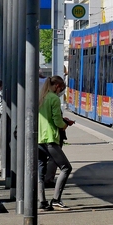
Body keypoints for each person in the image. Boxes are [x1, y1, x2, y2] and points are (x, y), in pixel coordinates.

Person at [38, 75, 72, 211]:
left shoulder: (41, 97)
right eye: (61, 88)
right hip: (50, 138)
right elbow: (57, 121)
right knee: (66, 168)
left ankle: (42, 201)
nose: (61, 91)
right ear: (57, 86)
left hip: (38, 138)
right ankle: (56, 199)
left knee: (40, 171)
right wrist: (65, 124)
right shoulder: (54, 99)